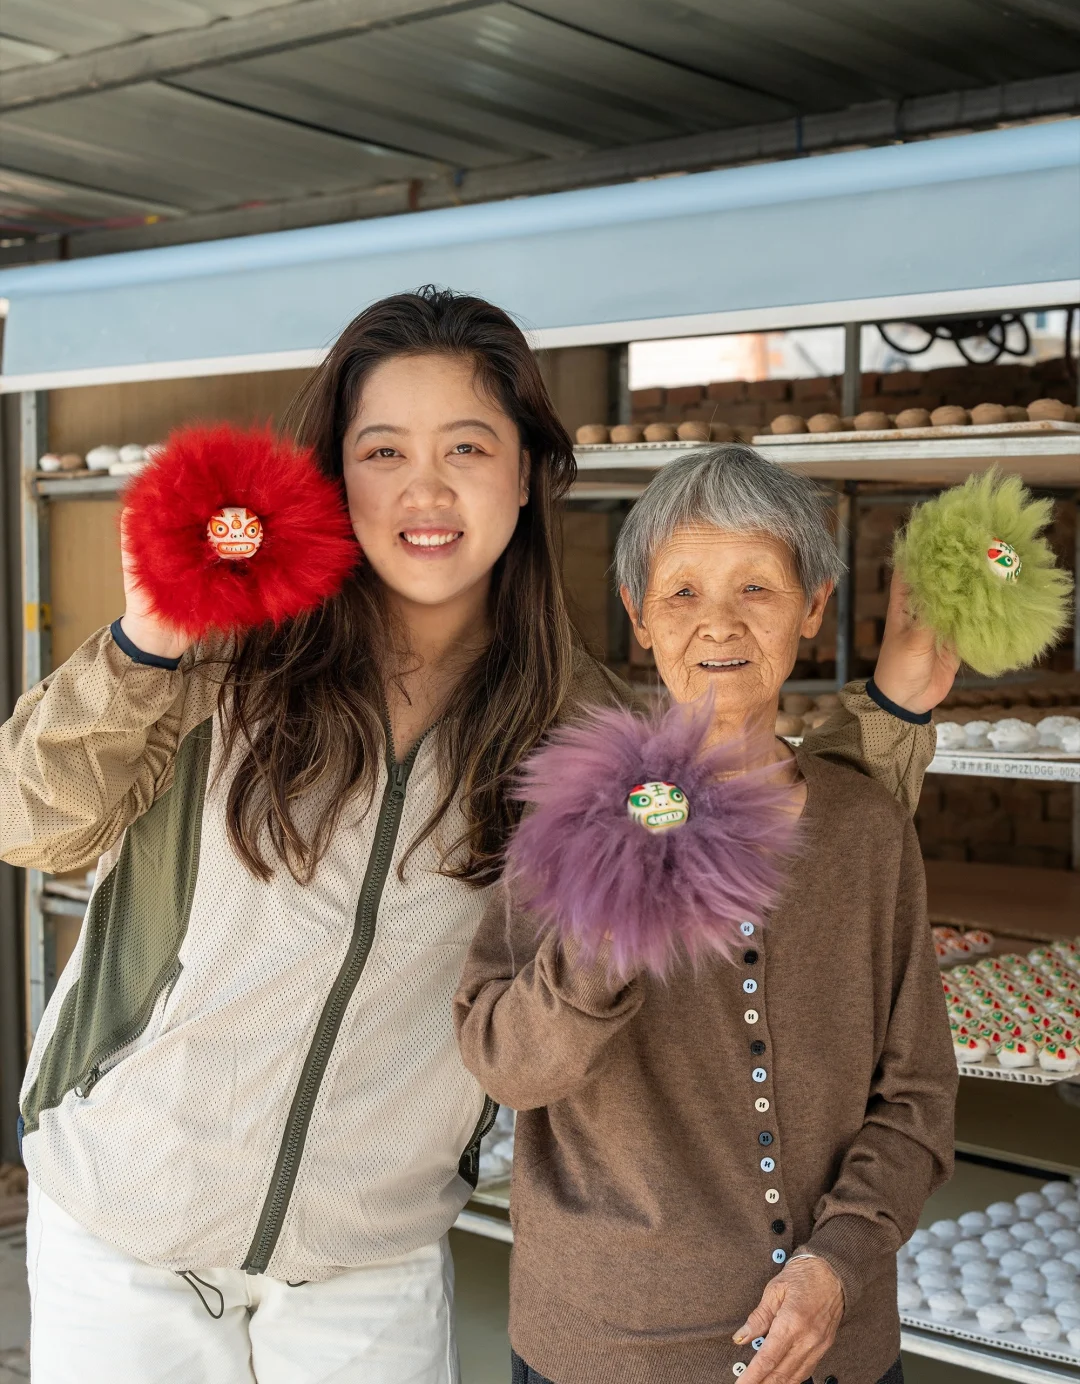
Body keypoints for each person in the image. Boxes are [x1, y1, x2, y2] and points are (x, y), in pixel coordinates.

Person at [3, 287, 943, 1384]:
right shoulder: (230, 648)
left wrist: (900, 710)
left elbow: (771, 814)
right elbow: (33, 823)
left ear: (529, 472)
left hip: (370, 1256)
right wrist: (147, 642)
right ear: (335, 470)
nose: (427, 487)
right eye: (384, 450)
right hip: (128, 1225)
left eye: (467, 445)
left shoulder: (582, 725)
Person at [455, 445, 958, 1384]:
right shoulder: (570, 817)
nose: (718, 623)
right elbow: (509, 1065)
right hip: (611, 1349)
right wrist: (613, 912)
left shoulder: (867, 832)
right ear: (638, 616)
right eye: (681, 592)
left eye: (757, 589)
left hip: (833, 1348)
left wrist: (838, 1264)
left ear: (813, 606)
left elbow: (918, 1100)